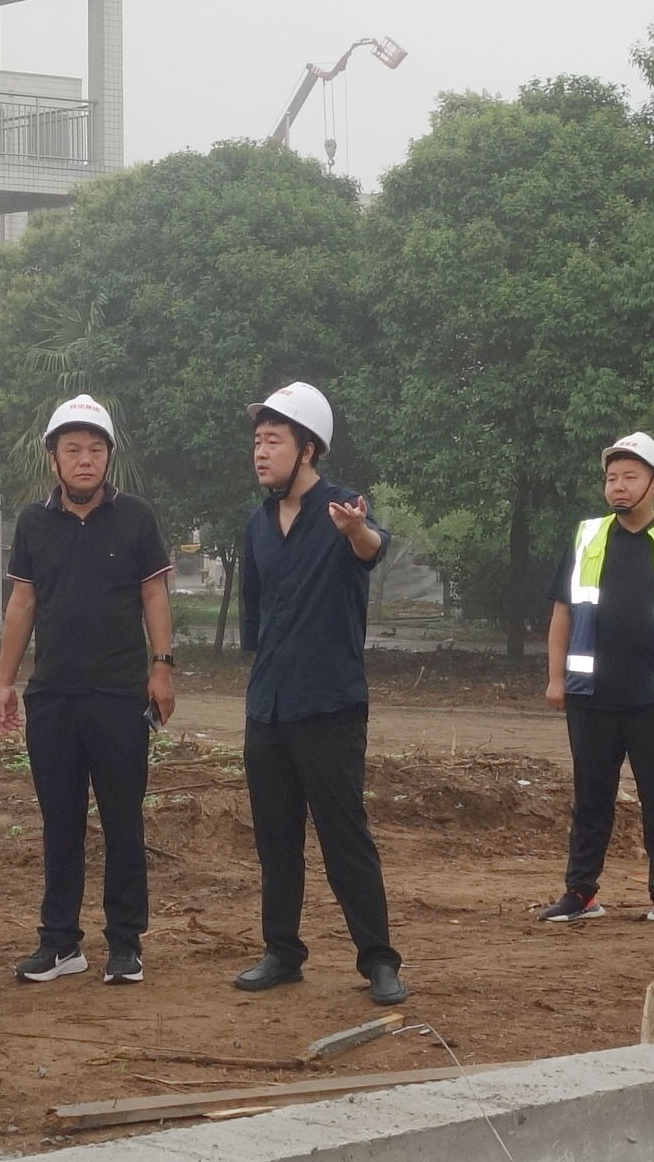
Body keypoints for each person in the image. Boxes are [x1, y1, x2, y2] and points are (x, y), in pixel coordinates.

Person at [0, 395, 177, 986]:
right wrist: (4, 681)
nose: (85, 460)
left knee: (123, 821)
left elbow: (154, 595)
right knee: (60, 821)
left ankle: (125, 943)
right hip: (53, 696)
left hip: (120, 695)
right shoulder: (33, 523)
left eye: (96, 449)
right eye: (72, 449)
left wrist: (162, 667)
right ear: (54, 459)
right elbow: (23, 603)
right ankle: (59, 942)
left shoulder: (136, 518)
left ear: (108, 458)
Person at [233, 382, 406, 1005]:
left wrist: (357, 530)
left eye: (273, 441)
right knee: (275, 837)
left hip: (330, 706)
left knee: (343, 834)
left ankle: (379, 960)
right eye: (257, 441)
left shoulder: (343, 508)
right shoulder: (257, 524)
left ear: (307, 449)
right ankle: (282, 952)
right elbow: (256, 616)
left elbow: (372, 546)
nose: (261, 452)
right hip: (269, 707)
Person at [541, 431, 654, 925]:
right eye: (611, 478)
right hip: (591, 695)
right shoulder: (586, 538)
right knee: (590, 797)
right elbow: (562, 612)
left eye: (630, 477)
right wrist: (555, 678)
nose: (618, 486)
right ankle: (580, 893)